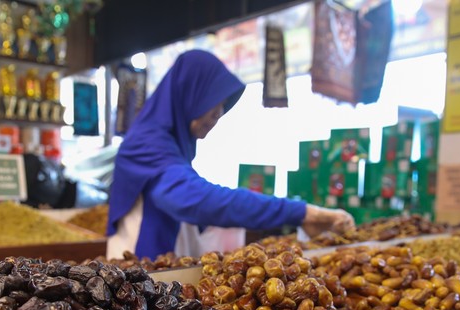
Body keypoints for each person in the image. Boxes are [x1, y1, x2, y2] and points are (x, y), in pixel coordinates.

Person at [106, 49, 355, 260]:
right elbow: (195, 200)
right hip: (135, 279)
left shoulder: (169, 143)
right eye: (212, 101)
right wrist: (301, 212)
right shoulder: (146, 143)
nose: (218, 113)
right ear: (189, 93)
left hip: (157, 276)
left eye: (223, 106)